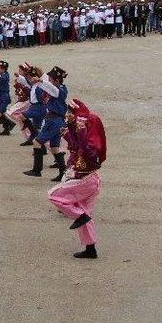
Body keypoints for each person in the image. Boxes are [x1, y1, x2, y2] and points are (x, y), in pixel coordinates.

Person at [48, 99, 106, 259]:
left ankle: (78, 216)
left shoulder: (87, 129)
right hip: (91, 178)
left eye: (70, 113)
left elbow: (89, 151)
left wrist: (80, 132)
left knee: (53, 195)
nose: (67, 116)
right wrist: (68, 134)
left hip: (86, 179)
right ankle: (90, 249)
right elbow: (75, 148)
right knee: (85, 212)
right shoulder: (77, 128)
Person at [24, 66, 68, 181]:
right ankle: (63, 172)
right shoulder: (60, 88)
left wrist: (41, 81)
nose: (49, 80)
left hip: (53, 121)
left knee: (37, 142)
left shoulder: (59, 90)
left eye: (51, 79)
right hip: (57, 121)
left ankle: (37, 170)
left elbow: (52, 89)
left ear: (57, 81)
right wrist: (40, 81)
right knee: (54, 147)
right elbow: (49, 88)